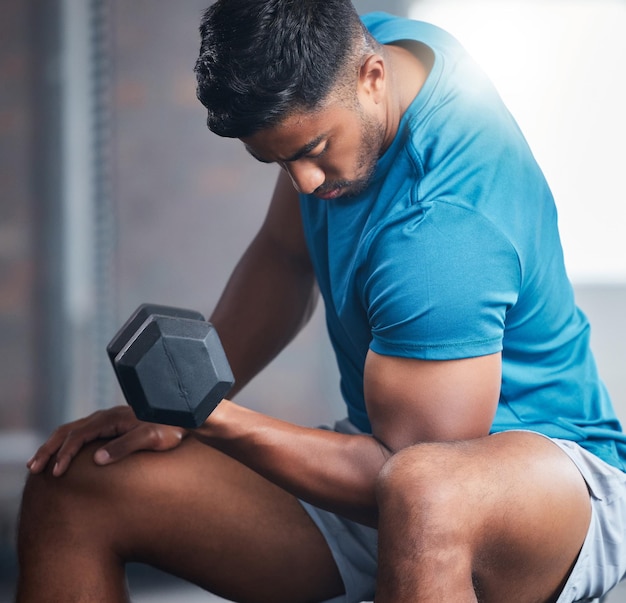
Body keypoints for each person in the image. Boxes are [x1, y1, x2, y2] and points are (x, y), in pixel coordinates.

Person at [16, 1, 626, 602]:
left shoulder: (442, 228)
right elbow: (284, 259)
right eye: (280, 161)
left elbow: (402, 473)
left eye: (312, 150)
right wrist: (179, 404)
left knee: (425, 495)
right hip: (394, 462)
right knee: (74, 486)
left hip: (551, 488)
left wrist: (209, 415)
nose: (305, 183)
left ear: (373, 78)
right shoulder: (350, 52)